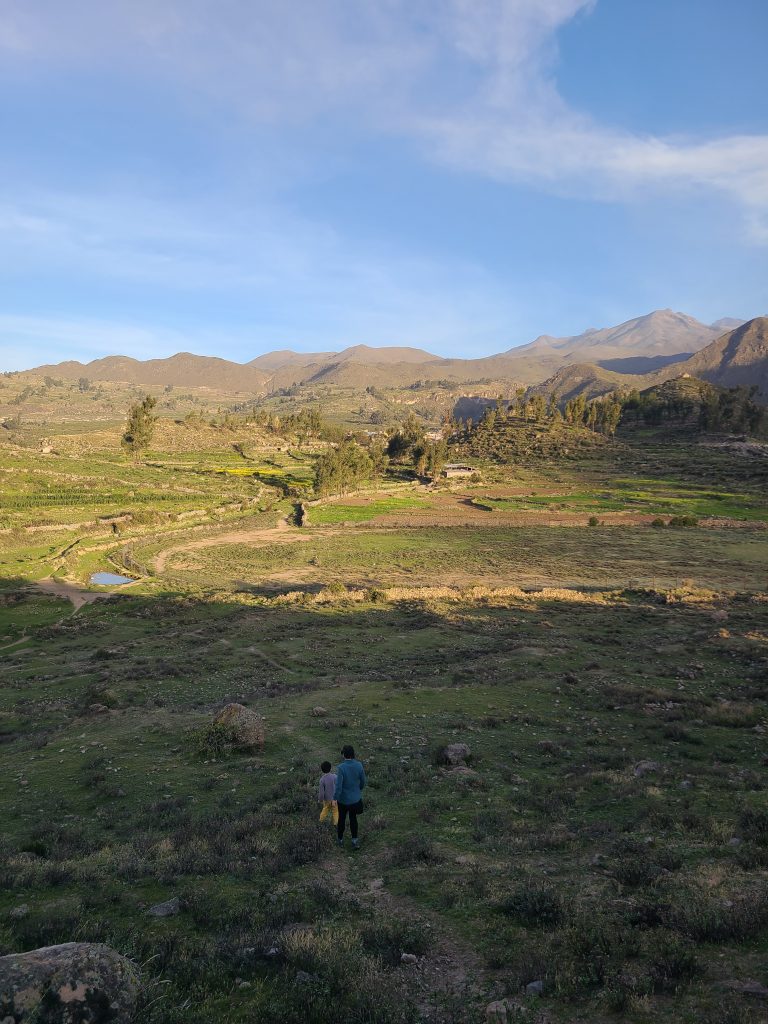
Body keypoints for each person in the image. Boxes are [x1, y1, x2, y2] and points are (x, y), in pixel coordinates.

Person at [334, 744, 366, 849]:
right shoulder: (359, 765)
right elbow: (363, 782)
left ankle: (340, 839)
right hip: (355, 799)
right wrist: (358, 790)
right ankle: (354, 840)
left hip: (343, 800)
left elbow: (338, 786)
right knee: (353, 819)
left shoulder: (341, 768)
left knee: (341, 819)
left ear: (344, 754)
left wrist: (335, 798)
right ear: (353, 754)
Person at [318, 760, 339, 826]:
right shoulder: (335, 776)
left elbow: (321, 793)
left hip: (327, 800)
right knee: (335, 811)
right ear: (330, 768)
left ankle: (321, 821)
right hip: (334, 799)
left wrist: (320, 800)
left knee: (325, 810)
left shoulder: (322, 780)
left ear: (322, 770)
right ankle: (336, 823)